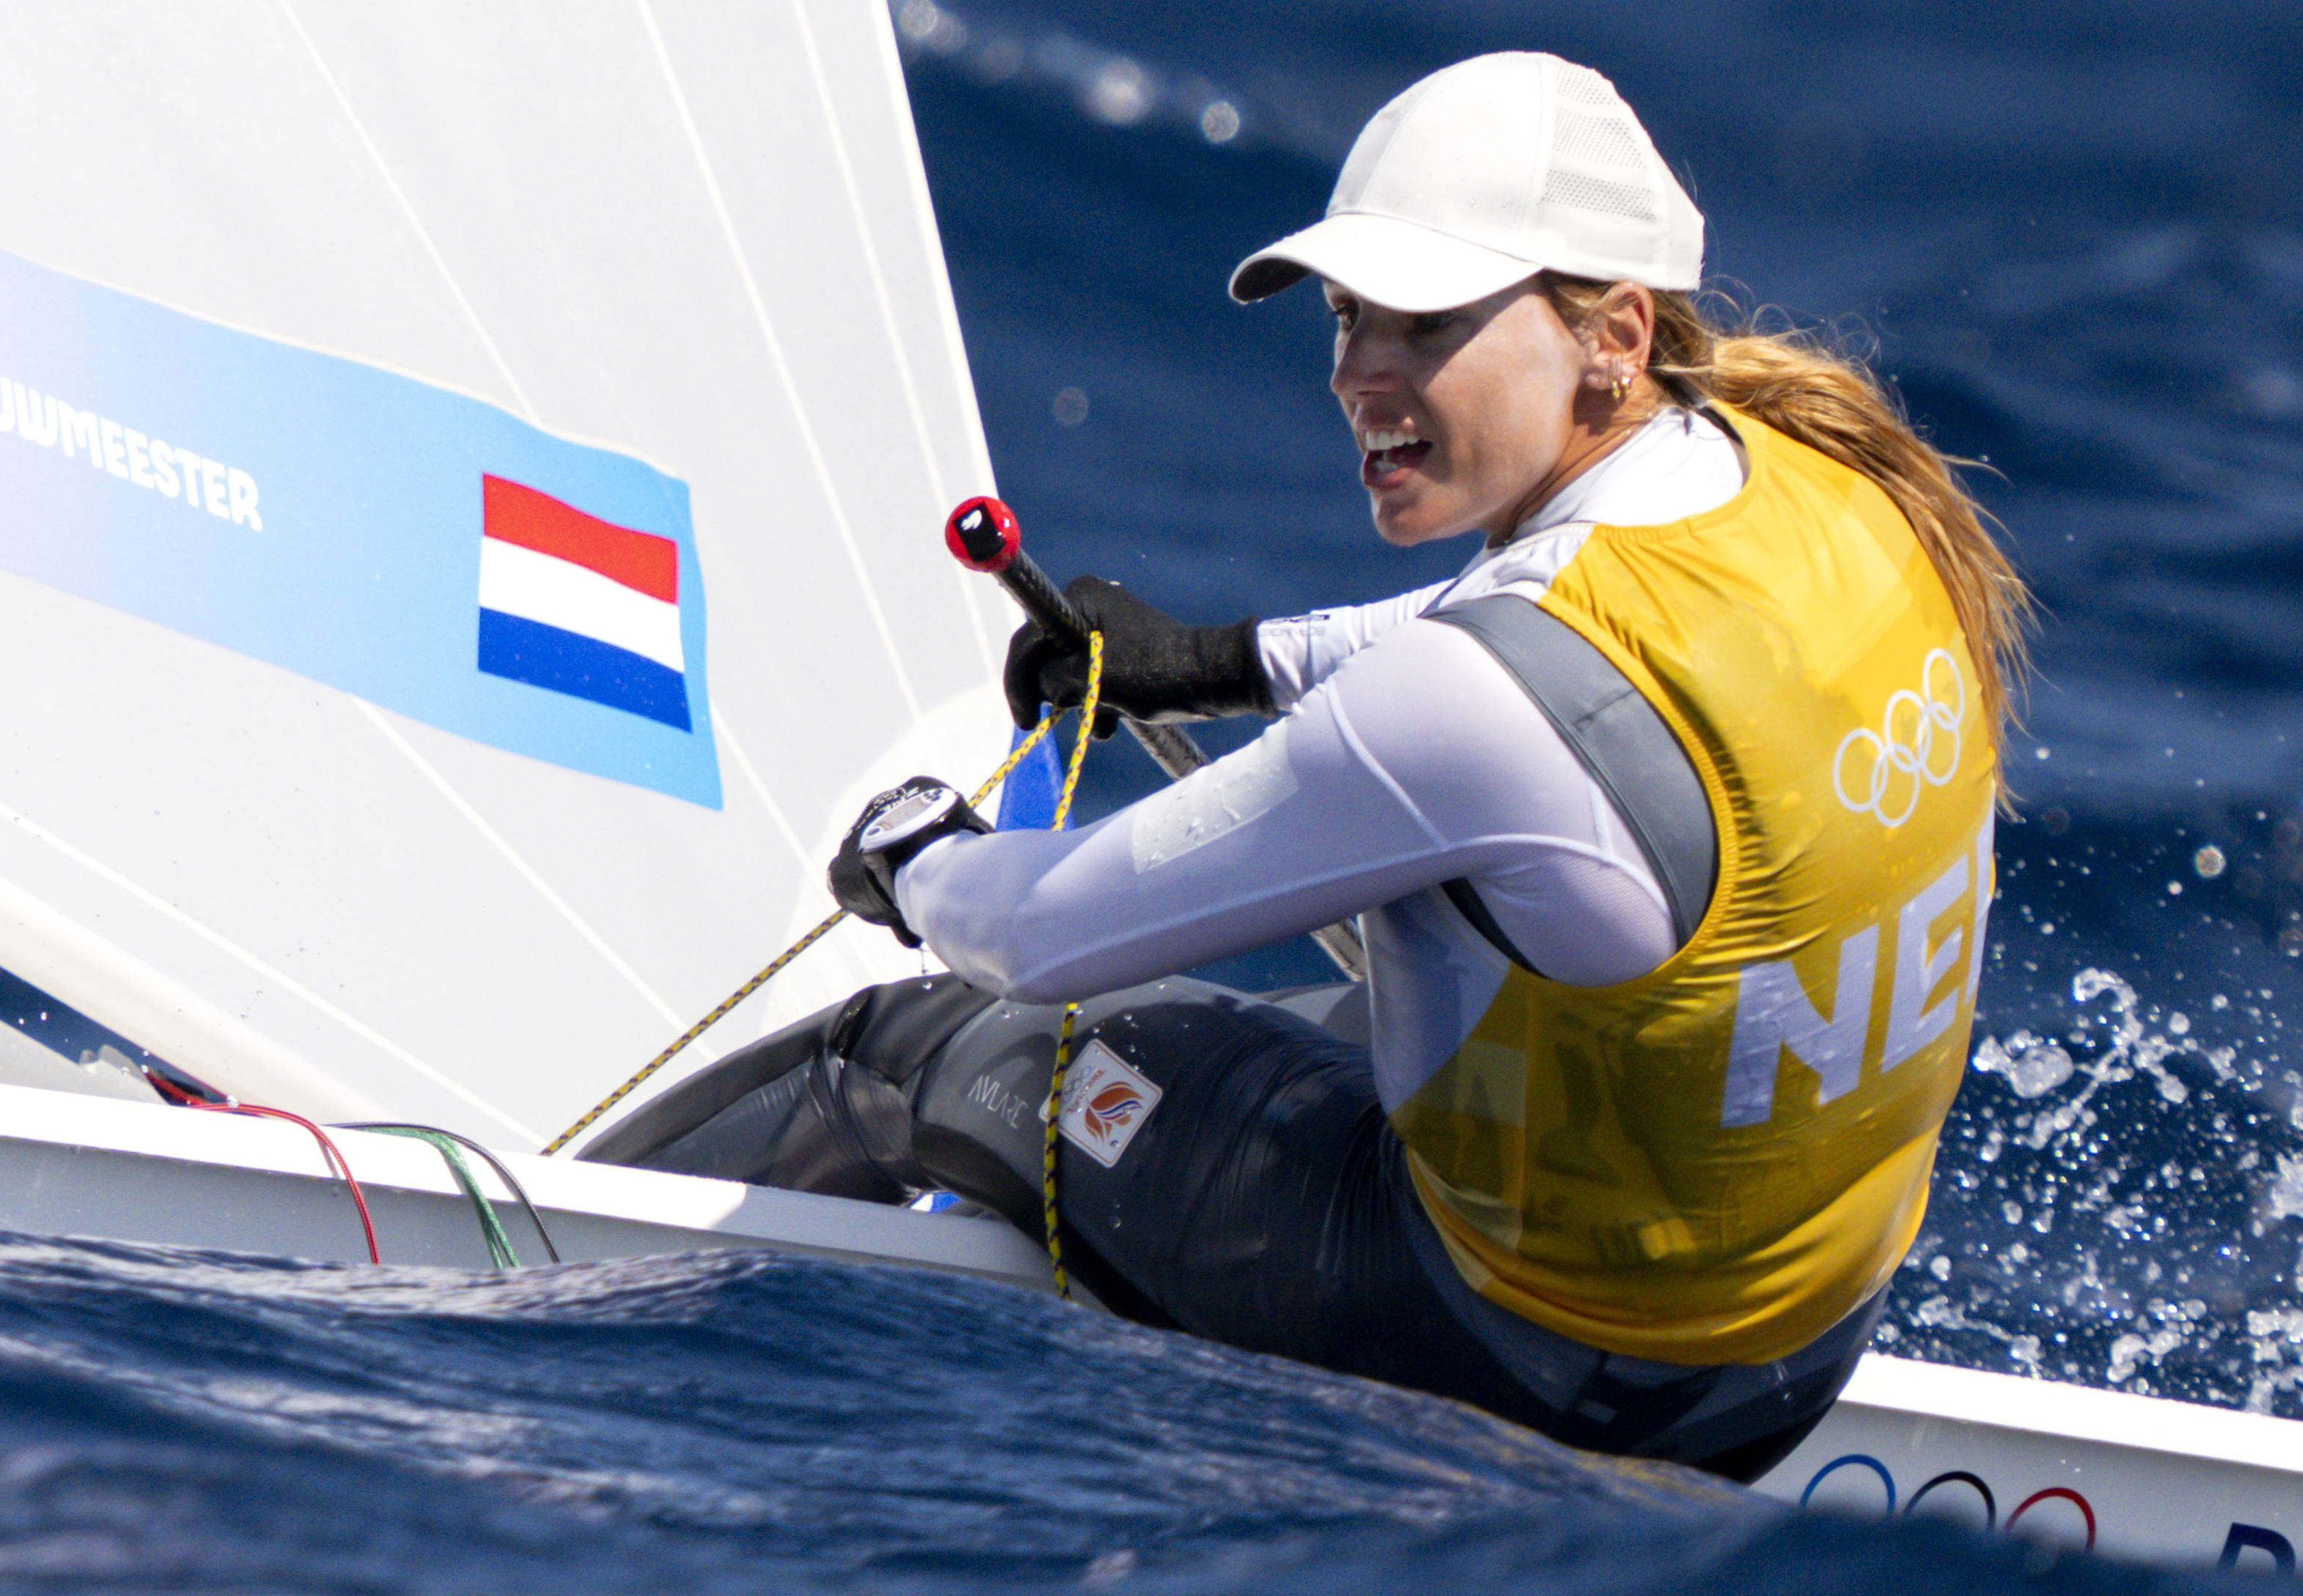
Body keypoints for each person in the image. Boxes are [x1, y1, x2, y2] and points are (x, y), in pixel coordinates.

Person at [586, 51, 2026, 1483]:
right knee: (1308, 1007)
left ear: (1617, 335)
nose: (1359, 375)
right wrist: (1222, 659)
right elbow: (1545, 651)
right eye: (1347, 320)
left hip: (1544, 1371)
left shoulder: (1482, 701)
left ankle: (554, 1292)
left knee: (914, 1049)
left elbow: (1037, 936)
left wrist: (910, 853)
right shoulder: (1835, 492)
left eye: (1426, 322)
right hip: (1790, 1360)